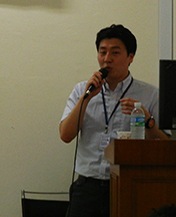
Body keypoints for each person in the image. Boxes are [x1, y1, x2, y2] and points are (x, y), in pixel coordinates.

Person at [59, 24, 170, 217]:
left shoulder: (151, 95)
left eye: (115, 52)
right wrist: (86, 99)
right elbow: (65, 135)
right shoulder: (81, 91)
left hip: (130, 184)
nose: (107, 59)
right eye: (102, 52)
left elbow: (166, 146)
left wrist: (147, 120)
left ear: (130, 57)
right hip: (88, 187)